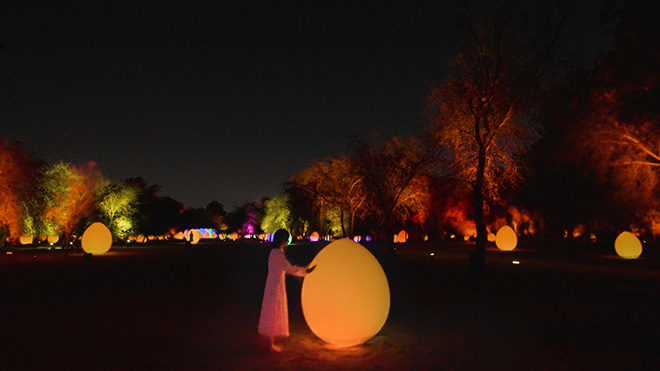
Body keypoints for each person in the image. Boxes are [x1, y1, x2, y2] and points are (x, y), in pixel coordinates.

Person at [258, 229, 315, 352]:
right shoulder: (277, 253)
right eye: (287, 238)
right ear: (282, 240)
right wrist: (305, 271)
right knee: (273, 311)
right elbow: (289, 268)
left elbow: (287, 267)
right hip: (275, 286)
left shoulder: (277, 251)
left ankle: (270, 342)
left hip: (274, 284)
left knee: (273, 310)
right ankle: (270, 344)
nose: (288, 241)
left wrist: (303, 269)